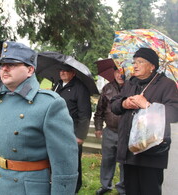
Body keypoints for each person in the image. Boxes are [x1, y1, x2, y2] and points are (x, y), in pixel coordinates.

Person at [0, 41, 78, 195]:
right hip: (0, 183)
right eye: (2, 64)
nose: (5, 68)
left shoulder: (50, 104)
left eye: (12, 64)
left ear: (30, 70)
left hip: (30, 188)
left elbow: (65, 162)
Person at [111, 48, 178, 195]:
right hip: (129, 151)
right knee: (130, 190)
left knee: (150, 191)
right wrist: (124, 103)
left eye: (140, 62)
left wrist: (148, 105)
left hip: (151, 152)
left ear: (152, 66)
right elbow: (114, 105)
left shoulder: (167, 85)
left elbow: (174, 112)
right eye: (134, 62)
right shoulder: (130, 83)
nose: (135, 65)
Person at [52, 65, 92, 193]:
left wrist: (80, 135)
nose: (62, 73)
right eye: (61, 70)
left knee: (72, 162)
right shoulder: (57, 85)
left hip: (72, 132)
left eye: (66, 71)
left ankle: (74, 187)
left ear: (73, 73)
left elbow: (85, 113)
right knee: (56, 159)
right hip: (55, 130)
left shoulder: (80, 88)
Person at [94, 67, 125, 195]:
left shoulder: (132, 87)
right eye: (117, 72)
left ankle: (123, 188)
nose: (120, 75)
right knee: (107, 160)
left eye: (123, 72)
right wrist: (98, 127)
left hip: (126, 133)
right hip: (110, 131)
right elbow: (99, 111)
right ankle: (106, 185)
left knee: (124, 162)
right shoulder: (107, 88)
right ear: (114, 73)